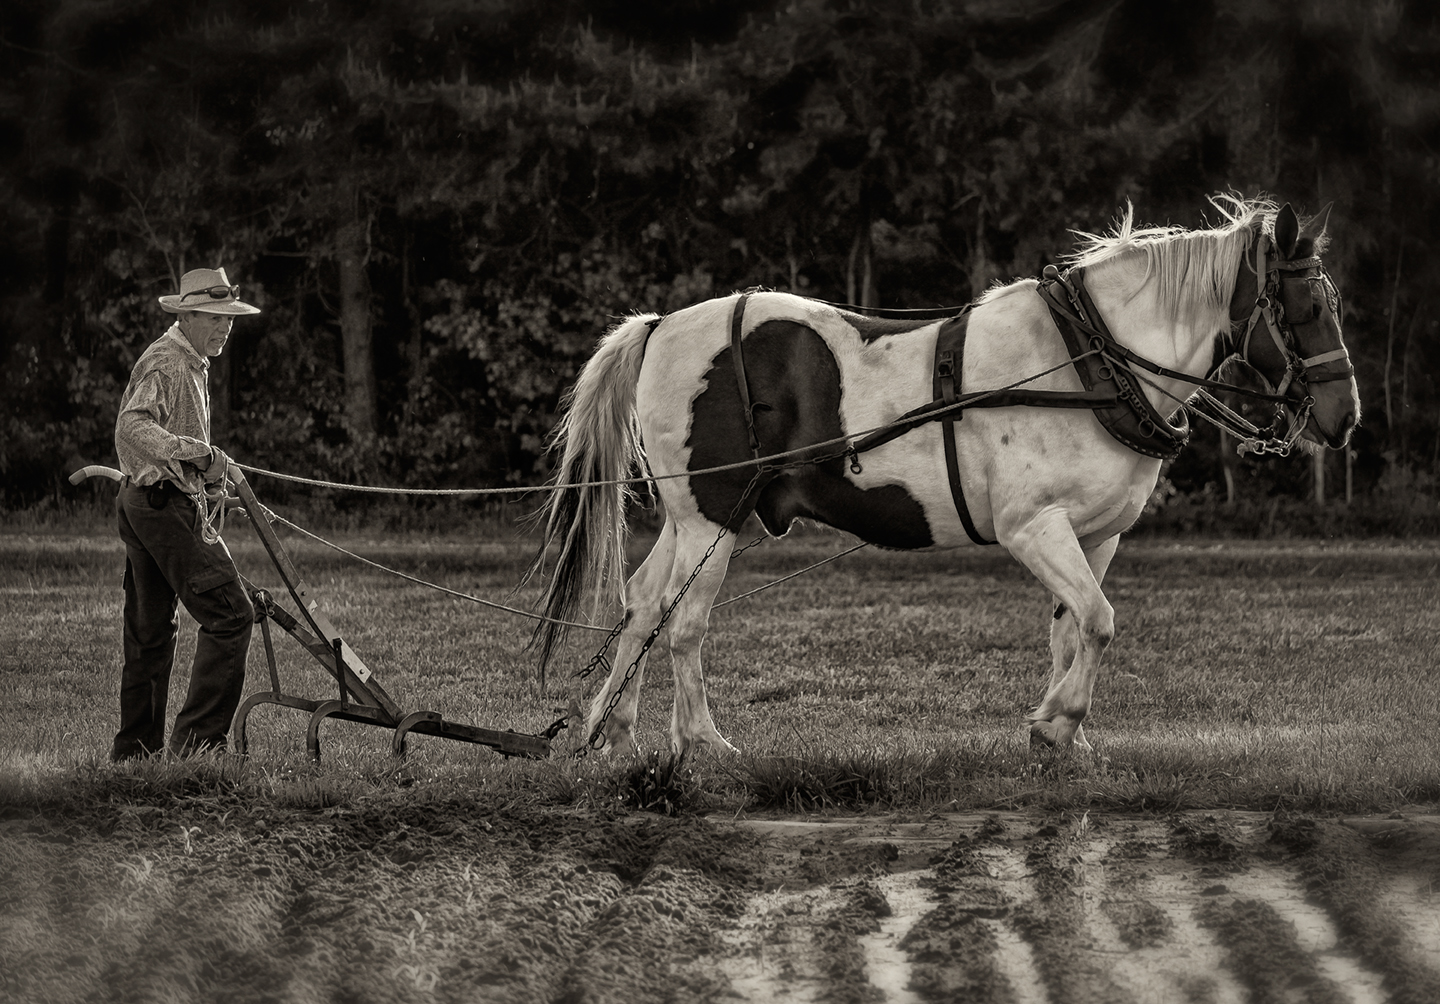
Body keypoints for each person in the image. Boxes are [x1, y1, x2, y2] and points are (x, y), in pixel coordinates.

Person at [110, 267, 261, 761]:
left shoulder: (191, 359)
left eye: (229, 320)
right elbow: (132, 424)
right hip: (160, 506)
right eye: (215, 318)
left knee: (152, 633)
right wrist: (191, 453)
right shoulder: (168, 361)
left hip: (149, 501)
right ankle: (197, 749)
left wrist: (209, 476)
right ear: (188, 315)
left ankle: (136, 755)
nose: (224, 329)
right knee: (232, 615)